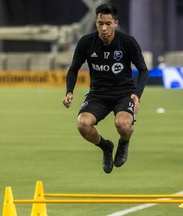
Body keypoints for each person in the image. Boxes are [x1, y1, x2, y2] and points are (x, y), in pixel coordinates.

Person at [62, 4, 149, 174]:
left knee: (122, 125)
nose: (104, 28)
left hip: (123, 94)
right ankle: (106, 147)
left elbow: (144, 70)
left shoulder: (127, 42)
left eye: (108, 24)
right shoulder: (86, 42)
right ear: (95, 23)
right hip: (98, 94)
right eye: (100, 23)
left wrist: (137, 95)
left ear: (115, 23)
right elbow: (73, 69)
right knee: (83, 125)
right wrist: (69, 92)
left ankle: (124, 142)